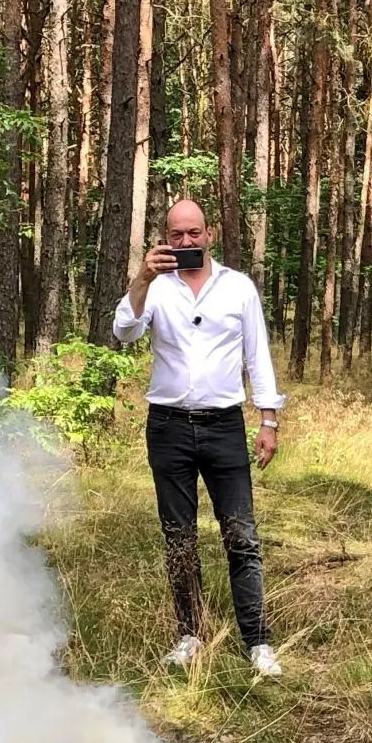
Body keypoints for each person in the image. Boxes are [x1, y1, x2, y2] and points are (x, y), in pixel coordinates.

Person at [114, 199, 284, 678]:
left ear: (209, 234)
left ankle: (257, 640)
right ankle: (190, 634)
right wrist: (143, 279)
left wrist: (267, 420)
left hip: (224, 425)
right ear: (165, 237)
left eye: (193, 233)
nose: (185, 242)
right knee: (178, 536)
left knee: (241, 535)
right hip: (168, 425)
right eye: (176, 235)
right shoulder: (156, 288)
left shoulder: (238, 288)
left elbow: (258, 355)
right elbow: (123, 332)